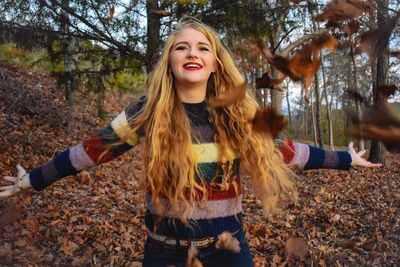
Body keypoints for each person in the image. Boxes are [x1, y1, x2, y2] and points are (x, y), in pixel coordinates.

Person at [0, 17, 381, 267]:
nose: (192, 53)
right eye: (182, 47)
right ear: (170, 61)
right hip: (164, 251)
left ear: (215, 63)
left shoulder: (236, 115)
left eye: (203, 47)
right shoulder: (147, 112)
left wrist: (344, 159)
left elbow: (285, 151)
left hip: (228, 250)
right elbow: (89, 152)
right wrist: (31, 180)